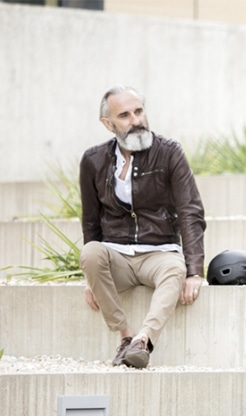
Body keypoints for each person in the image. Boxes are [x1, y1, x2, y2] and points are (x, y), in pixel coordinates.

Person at [79, 85, 206, 369]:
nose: (136, 120)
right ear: (108, 123)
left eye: (139, 111)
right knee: (90, 253)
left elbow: (190, 210)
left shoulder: (169, 152)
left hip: (159, 253)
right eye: (124, 115)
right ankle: (125, 336)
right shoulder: (93, 160)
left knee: (176, 268)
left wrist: (195, 270)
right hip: (116, 256)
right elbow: (90, 220)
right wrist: (92, 279)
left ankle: (143, 341)